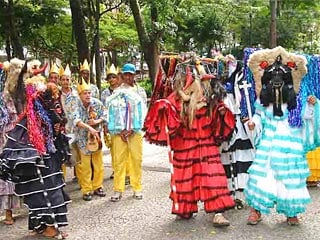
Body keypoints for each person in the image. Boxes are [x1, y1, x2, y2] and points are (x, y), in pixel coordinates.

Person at [144, 58, 236, 226]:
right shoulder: (178, 98)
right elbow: (168, 114)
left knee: (213, 177)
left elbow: (219, 125)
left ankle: (218, 212)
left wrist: (222, 114)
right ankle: (184, 209)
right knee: (185, 177)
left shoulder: (211, 99)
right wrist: (164, 108)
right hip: (185, 145)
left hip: (206, 145)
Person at [245, 47, 320, 226]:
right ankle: (256, 210)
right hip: (268, 145)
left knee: (290, 178)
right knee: (263, 175)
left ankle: (291, 212)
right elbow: (258, 114)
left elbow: (307, 118)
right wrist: (253, 123)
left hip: (290, 145)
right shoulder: (263, 100)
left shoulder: (297, 102)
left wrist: (313, 105)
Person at [0, 61, 71, 239]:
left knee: (48, 183)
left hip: (44, 143)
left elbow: (58, 117)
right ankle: (45, 225)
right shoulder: (25, 106)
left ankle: (45, 224)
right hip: (29, 141)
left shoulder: (46, 111)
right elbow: (15, 86)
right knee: (40, 183)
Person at [105, 63, 146, 202]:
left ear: (134, 76)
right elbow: (112, 112)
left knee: (136, 159)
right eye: (125, 74)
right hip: (119, 133)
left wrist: (133, 128)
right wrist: (119, 129)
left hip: (135, 131)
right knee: (118, 161)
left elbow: (144, 113)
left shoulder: (140, 91)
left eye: (130, 74)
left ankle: (137, 187)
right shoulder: (116, 92)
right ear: (122, 76)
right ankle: (118, 189)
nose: (128, 77)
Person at [65, 77, 107, 201]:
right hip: (82, 138)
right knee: (85, 166)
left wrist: (97, 121)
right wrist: (89, 127)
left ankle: (98, 186)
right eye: (85, 93)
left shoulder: (96, 103)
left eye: (89, 92)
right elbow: (76, 120)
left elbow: (105, 115)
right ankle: (86, 190)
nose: (88, 95)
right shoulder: (75, 104)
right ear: (80, 94)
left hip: (96, 137)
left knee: (98, 164)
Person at [220, 59, 255, 208]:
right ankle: (227, 195)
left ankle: (242, 195)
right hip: (225, 121)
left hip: (240, 120)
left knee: (242, 157)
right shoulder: (216, 78)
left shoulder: (243, 76)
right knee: (227, 159)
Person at [0, 61, 23, 225]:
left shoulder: (17, 93)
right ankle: (7, 212)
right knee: (6, 174)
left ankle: (12, 211)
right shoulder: (4, 95)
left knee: (16, 171)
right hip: (6, 137)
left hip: (17, 135)